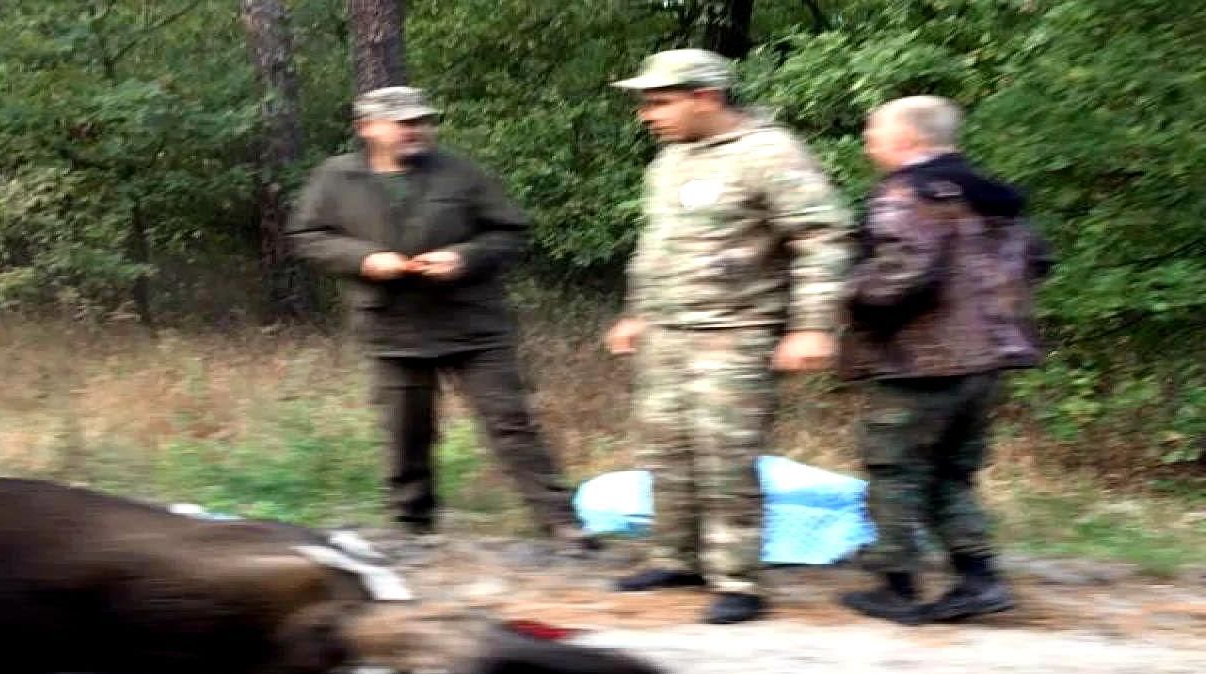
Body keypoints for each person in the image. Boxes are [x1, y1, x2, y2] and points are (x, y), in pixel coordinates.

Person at [604, 49, 852, 624]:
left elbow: (821, 239)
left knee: (725, 457)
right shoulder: (669, 162)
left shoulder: (770, 153)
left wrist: (812, 326)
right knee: (665, 450)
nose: (647, 114)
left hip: (735, 334)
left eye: (660, 101)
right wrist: (637, 312)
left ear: (706, 98)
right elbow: (658, 247)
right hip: (667, 334)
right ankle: (675, 557)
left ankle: (737, 579)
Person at [287, 86, 589, 546]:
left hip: (472, 326)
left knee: (510, 423)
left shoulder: (460, 172)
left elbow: (510, 233)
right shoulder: (335, 178)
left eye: (421, 121)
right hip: (390, 326)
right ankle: (412, 527)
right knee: (406, 430)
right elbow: (308, 236)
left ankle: (560, 522)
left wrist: (463, 257)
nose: (416, 129)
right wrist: (364, 259)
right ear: (367, 128)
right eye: (404, 122)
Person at [837, 95, 1051, 625]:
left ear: (910, 139)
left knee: (894, 470)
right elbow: (1040, 261)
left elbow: (904, 273)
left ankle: (896, 585)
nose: (868, 140)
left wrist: (847, 292)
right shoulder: (993, 196)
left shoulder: (908, 192)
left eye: (875, 130)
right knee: (951, 474)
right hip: (988, 360)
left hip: (919, 360)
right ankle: (978, 579)